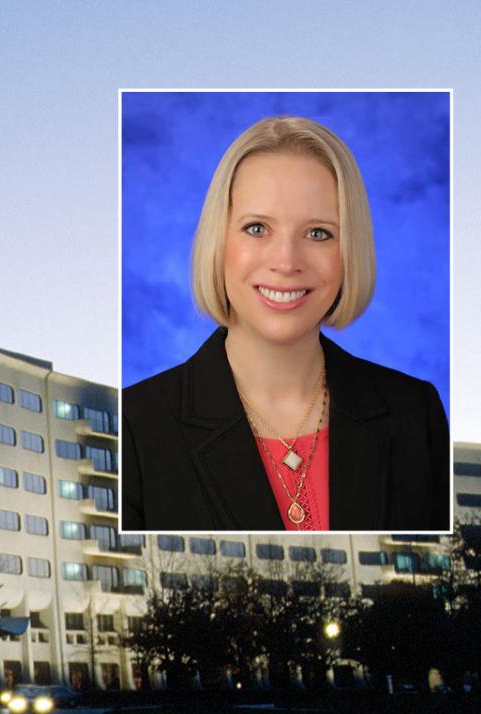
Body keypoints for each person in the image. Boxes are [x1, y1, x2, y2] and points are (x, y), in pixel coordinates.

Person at [122, 116, 449, 532]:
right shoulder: (134, 426)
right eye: (256, 228)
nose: (287, 262)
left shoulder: (414, 415)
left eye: (318, 233)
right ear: (218, 243)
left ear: (350, 251)